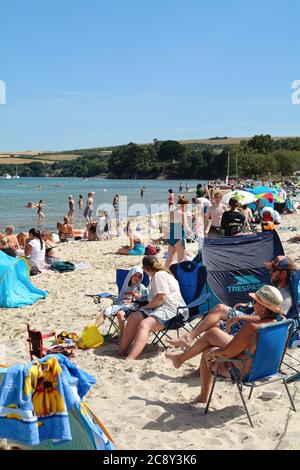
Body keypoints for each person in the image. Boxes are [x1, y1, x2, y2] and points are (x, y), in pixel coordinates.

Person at [166, 255, 295, 355]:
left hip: (254, 330)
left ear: (283, 274)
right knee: (215, 322)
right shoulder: (278, 288)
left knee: (219, 310)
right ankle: (199, 364)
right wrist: (250, 305)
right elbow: (265, 313)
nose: (270, 272)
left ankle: (189, 340)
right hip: (252, 322)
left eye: (273, 270)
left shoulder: (286, 297)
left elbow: (272, 321)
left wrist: (240, 317)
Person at [192, 285, 283, 403]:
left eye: (254, 301)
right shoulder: (281, 324)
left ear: (264, 308)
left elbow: (226, 354)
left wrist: (212, 353)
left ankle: (203, 397)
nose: (253, 304)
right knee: (215, 341)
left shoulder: (252, 328)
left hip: (245, 374)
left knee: (207, 352)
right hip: (268, 370)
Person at [117, 256, 188, 360]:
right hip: (161, 307)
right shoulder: (159, 275)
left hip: (174, 311)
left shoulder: (159, 275)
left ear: (145, 269)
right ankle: (121, 351)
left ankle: (130, 358)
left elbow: (161, 297)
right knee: (134, 316)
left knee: (144, 324)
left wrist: (145, 307)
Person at [95, 267, 147, 340]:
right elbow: (121, 298)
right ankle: (92, 329)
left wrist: (139, 297)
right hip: (121, 305)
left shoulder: (141, 287)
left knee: (120, 314)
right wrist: (111, 297)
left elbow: (146, 299)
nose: (137, 278)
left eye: (139, 276)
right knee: (106, 310)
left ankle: (122, 337)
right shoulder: (125, 285)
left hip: (132, 308)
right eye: (135, 275)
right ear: (131, 275)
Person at [165, 196, 191, 269]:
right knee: (181, 260)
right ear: (183, 205)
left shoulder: (171, 212)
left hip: (171, 237)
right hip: (178, 237)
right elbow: (186, 228)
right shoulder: (182, 214)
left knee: (169, 259)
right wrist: (192, 232)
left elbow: (167, 226)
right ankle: (180, 278)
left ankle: (162, 273)